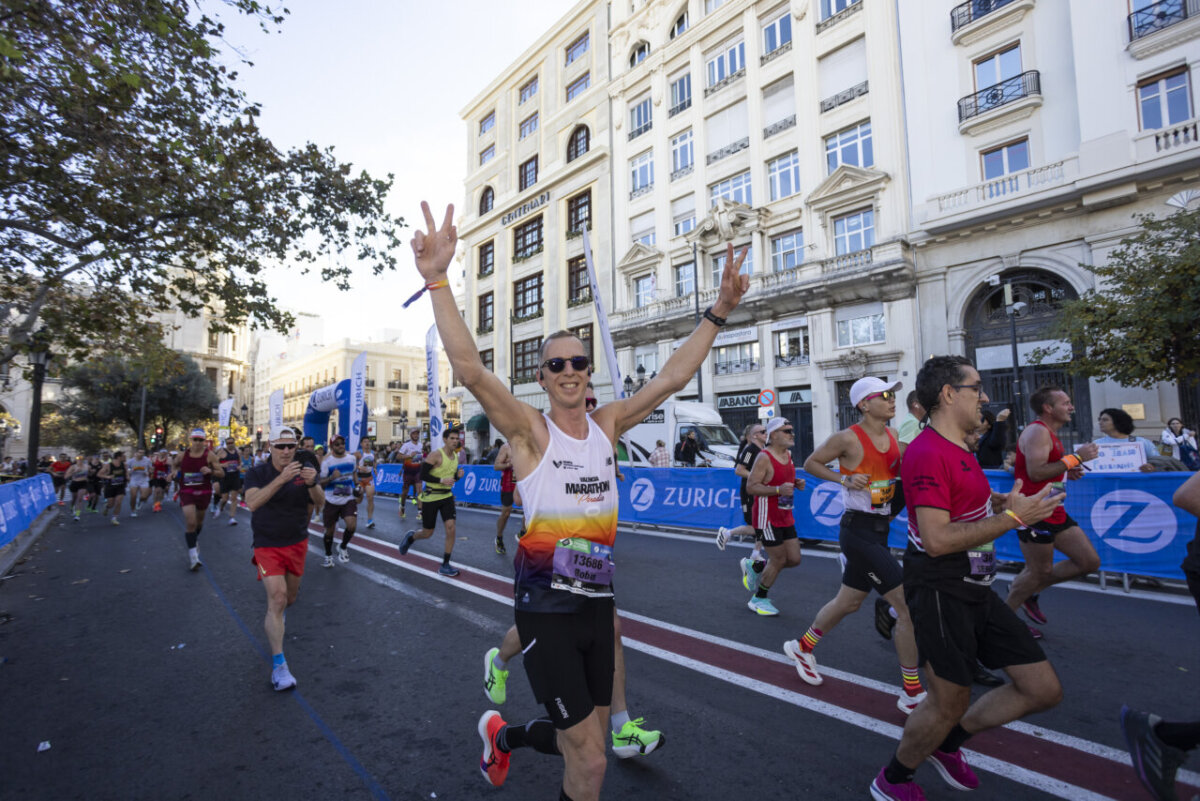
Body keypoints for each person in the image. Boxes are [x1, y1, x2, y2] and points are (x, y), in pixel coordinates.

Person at [410, 201, 747, 801]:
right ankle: (512, 736)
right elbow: (470, 370)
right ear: (542, 377)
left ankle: (503, 738)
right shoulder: (529, 432)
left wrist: (719, 312)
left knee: (582, 742)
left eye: (579, 363)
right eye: (556, 364)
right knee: (591, 763)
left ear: (590, 374)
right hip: (546, 612)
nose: (570, 371)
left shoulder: (608, 424)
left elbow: (671, 377)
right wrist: (438, 280)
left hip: (598, 607)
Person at [869, 355, 1065, 800]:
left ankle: (947, 746)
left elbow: (963, 506)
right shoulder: (926, 452)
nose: (984, 396)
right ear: (949, 394)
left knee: (1042, 689)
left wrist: (996, 504)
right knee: (949, 700)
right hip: (940, 583)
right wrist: (1015, 516)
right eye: (976, 387)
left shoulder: (959, 447)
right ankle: (893, 780)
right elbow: (937, 540)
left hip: (977, 583)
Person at [786, 377, 925, 714]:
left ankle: (802, 647)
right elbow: (811, 463)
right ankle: (912, 692)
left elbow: (902, 474)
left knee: (848, 602)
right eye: (886, 395)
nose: (893, 400)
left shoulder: (894, 436)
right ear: (864, 404)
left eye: (894, 395)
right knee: (905, 606)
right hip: (857, 530)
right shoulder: (847, 438)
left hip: (880, 528)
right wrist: (845, 479)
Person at [483, 612, 664, 760]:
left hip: (593, 573)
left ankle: (622, 727)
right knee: (547, 618)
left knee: (611, 627)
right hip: (551, 578)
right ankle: (498, 663)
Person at [1006, 387, 1101, 637]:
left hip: (1054, 509)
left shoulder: (1050, 433)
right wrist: (1075, 459)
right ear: (1048, 408)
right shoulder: (1037, 430)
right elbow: (1036, 472)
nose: (1071, 407)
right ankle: (1003, 623)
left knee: (1088, 562)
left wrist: (1064, 470)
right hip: (1033, 512)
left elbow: (1041, 468)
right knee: (1040, 571)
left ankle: (1025, 590)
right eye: (1065, 403)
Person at [243, 426, 322, 691]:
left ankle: (279, 617)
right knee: (277, 598)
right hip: (267, 544)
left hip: (297, 541)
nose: (286, 451)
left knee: (289, 599)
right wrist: (282, 479)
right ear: (270, 447)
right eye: (280, 446)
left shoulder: (305, 466)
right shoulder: (257, 473)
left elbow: (320, 502)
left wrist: (312, 484)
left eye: (291, 446)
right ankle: (280, 666)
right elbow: (252, 503)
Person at [743, 417, 806, 616]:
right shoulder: (764, 457)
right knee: (778, 559)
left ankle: (758, 565)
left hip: (785, 514)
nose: (791, 434)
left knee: (794, 559)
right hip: (766, 517)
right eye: (787, 430)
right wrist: (778, 489)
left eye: (792, 430)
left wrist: (796, 483)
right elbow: (751, 486)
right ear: (774, 435)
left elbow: (782, 478)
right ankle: (759, 598)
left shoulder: (788, 455)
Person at [397, 426, 465, 577]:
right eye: (452, 438)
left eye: (457, 439)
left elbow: (450, 478)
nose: (455, 441)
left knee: (451, 527)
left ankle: (445, 564)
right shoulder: (436, 455)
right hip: (431, 496)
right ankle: (411, 537)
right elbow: (422, 475)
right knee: (428, 533)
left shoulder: (456, 456)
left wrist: (458, 476)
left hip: (446, 496)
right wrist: (441, 479)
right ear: (445, 440)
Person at [715, 423, 767, 568]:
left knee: (762, 522)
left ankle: (756, 552)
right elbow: (739, 470)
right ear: (754, 435)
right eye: (763, 431)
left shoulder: (763, 450)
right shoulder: (750, 450)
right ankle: (728, 533)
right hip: (750, 491)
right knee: (757, 525)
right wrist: (755, 477)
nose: (766, 433)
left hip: (760, 490)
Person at [173, 428, 225, 570]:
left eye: (200, 440)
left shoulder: (210, 456)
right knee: (190, 522)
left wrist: (211, 471)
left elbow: (221, 473)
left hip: (204, 492)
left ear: (204, 441)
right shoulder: (182, 455)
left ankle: (193, 540)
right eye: (195, 439)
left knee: (199, 522)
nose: (197, 443)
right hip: (187, 491)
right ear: (191, 440)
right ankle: (193, 557)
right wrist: (173, 473)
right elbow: (174, 465)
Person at [317, 434, 359, 568]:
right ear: (332, 447)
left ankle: (343, 546)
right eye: (337, 444)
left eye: (342, 443)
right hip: (331, 500)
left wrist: (357, 486)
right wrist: (331, 478)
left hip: (348, 498)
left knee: (351, 526)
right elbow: (320, 483)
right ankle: (328, 555)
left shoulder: (351, 459)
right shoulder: (327, 463)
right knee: (329, 532)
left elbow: (353, 473)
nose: (341, 446)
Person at [211, 436, 244, 524]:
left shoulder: (237, 452)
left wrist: (240, 466)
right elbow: (214, 463)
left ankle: (232, 518)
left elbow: (240, 463)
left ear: (234, 442)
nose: (230, 444)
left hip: (235, 477)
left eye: (231, 442)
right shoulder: (222, 452)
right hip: (225, 477)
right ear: (226, 444)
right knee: (225, 499)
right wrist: (223, 465)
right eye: (228, 443)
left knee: (234, 498)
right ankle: (220, 507)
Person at [494, 441, 517, 555]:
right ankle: (499, 537)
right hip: (509, 483)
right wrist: (509, 464)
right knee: (506, 513)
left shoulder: (530, 443)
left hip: (524, 482)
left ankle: (523, 533)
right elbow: (496, 466)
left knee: (530, 512)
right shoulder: (506, 447)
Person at [397, 427, 424, 520]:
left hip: (418, 471)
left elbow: (421, 456)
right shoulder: (406, 445)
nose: (416, 435)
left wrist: (423, 458)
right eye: (414, 434)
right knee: (405, 492)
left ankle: (420, 512)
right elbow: (398, 456)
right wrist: (409, 455)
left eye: (417, 434)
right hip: (408, 471)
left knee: (420, 490)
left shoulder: (421, 445)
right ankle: (402, 506)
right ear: (411, 435)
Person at [98, 451, 128, 525]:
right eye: (123, 456)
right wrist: (107, 476)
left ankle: (114, 518)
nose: (124, 457)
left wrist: (128, 477)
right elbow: (99, 474)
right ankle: (107, 507)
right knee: (111, 504)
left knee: (118, 502)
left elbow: (126, 473)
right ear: (119, 457)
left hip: (120, 486)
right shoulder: (108, 465)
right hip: (110, 487)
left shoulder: (124, 465)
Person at [355, 437, 377, 529]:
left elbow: (374, 462)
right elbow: (352, 464)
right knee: (358, 500)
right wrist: (359, 467)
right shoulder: (358, 453)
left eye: (368, 442)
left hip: (369, 478)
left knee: (370, 497)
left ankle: (370, 520)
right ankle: (351, 509)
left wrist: (375, 468)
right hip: (359, 478)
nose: (367, 443)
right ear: (361, 444)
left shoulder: (373, 453)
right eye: (365, 442)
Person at [895, 392, 925, 458]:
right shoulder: (912, 422)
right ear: (915, 404)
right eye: (924, 401)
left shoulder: (913, 421)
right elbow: (902, 451)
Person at [126, 448, 153, 517]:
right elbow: (126, 468)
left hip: (144, 479)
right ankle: (133, 510)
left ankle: (139, 501)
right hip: (134, 479)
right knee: (133, 496)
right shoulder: (131, 461)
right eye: (140, 452)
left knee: (144, 496)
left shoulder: (147, 460)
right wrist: (128, 474)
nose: (141, 454)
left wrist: (149, 472)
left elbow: (151, 469)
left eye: (143, 453)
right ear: (136, 453)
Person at [65, 456, 89, 521]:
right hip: (75, 483)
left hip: (83, 483)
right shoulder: (73, 467)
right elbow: (66, 476)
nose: (80, 461)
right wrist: (74, 472)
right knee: (74, 499)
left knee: (80, 498)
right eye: (78, 460)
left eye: (81, 460)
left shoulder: (87, 466)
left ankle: (77, 515)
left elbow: (90, 474)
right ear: (76, 460)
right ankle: (72, 506)